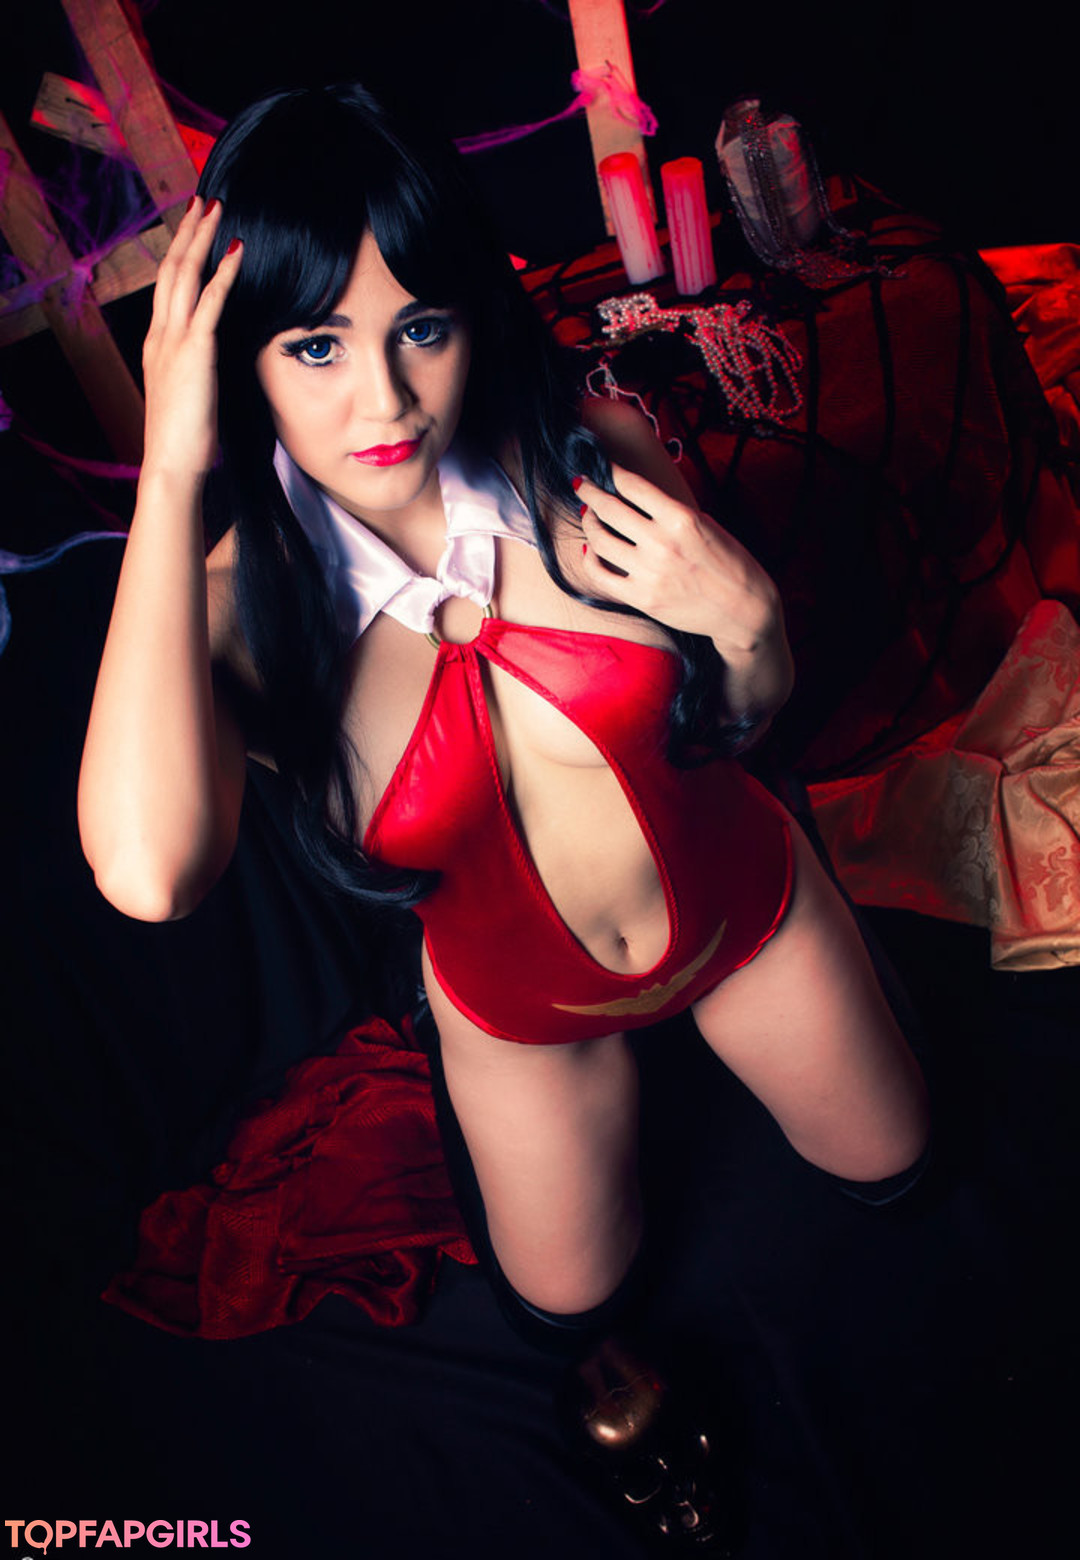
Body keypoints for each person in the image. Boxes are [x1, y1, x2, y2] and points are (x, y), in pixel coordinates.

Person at [78, 83, 929, 1353]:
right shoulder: (234, 613)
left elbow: (742, 726)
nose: (385, 403)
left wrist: (753, 624)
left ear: (469, 311)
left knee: (899, 1170)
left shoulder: (594, 454)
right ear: (234, 362)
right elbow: (151, 875)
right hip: (524, 1022)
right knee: (572, 1313)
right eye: (315, 347)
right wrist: (169, 475)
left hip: (750, 919)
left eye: (419, 329)